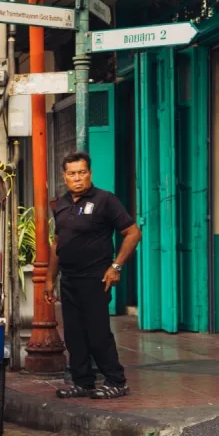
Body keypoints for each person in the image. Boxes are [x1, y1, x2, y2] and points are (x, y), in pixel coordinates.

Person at [44, 151, 142, 400]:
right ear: (64, 176)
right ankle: (82, 382)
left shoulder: (105, 200)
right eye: (72, 173)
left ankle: (116, 381)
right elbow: (58, 243)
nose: (78, 178)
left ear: (90, 173)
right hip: (69, 279)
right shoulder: (62, 204)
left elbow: (133, 233)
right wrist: (49, 279)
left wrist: (116, 267)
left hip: (97, 277)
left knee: (97, 333)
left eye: (82, 172)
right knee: (75, 334)